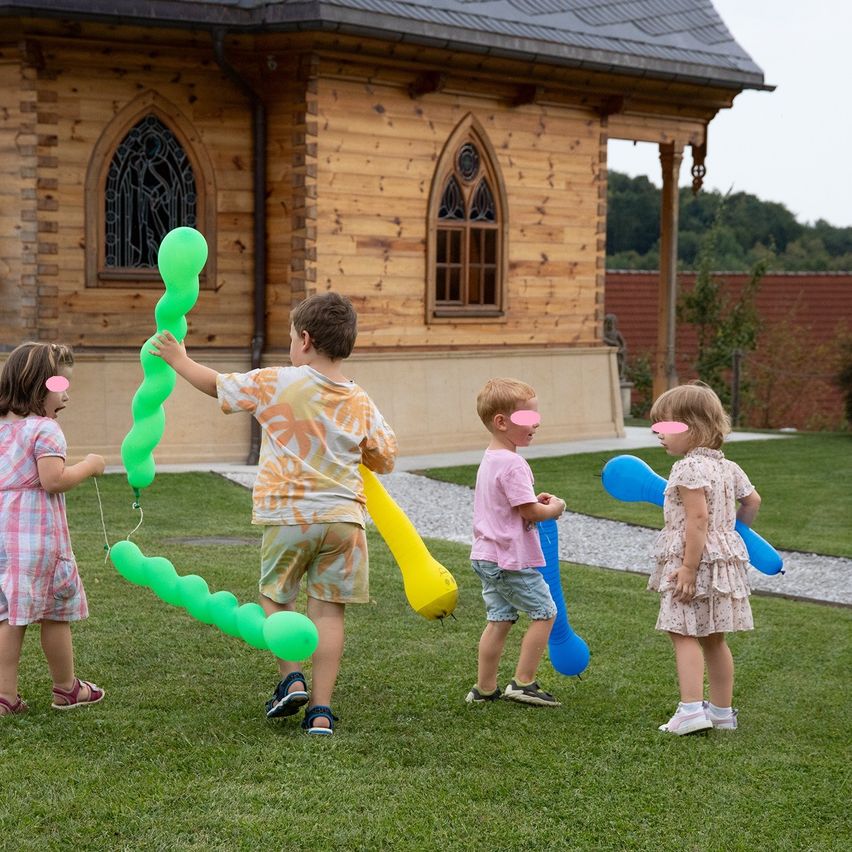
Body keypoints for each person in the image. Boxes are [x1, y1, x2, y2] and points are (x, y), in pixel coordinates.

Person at [150, 292, 397, 735]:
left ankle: (291, 676)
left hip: (288, 516)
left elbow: (217, 385)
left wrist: (178, 358)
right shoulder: (361, 400)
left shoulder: (276, 381)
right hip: (345, 520)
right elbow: (384, 457)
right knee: (329, 612)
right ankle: (321, 711)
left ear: (304, 339)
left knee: (276, 598)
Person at [648, 381, 761, 735]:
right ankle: (723, 713)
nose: (658, 434)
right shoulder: (730, 468)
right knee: (715, 637)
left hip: (693, 562)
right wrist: (732, 534)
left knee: (681, 631)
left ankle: (691, 710)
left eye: (665, 427)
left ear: (693, 427)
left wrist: (688, 568)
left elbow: (697, 520)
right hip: (723, 563)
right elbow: (753, 501)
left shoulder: (687, 468)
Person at [0, 342, 106, 716]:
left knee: (10, 616)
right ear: (38, 385)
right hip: (38, 538)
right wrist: (90, 465)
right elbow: (53, 480)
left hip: (4, 537)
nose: (67, 396)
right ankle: (66, 688)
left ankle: (4, 697)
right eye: (61, 386)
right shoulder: (45, 430)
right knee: (55, 613)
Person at [465, 378, 566, 707]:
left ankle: (484, 688)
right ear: (501, 421)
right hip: (509, 560)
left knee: (500, 618)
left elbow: (508, 506)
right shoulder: (513, 463)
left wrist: (532, 502)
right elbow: (530, 511)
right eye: (527, 418)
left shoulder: (491, 458)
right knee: (545, 612)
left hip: (486, 557)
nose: (535, 423)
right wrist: (554, 509)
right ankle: (523, 682)